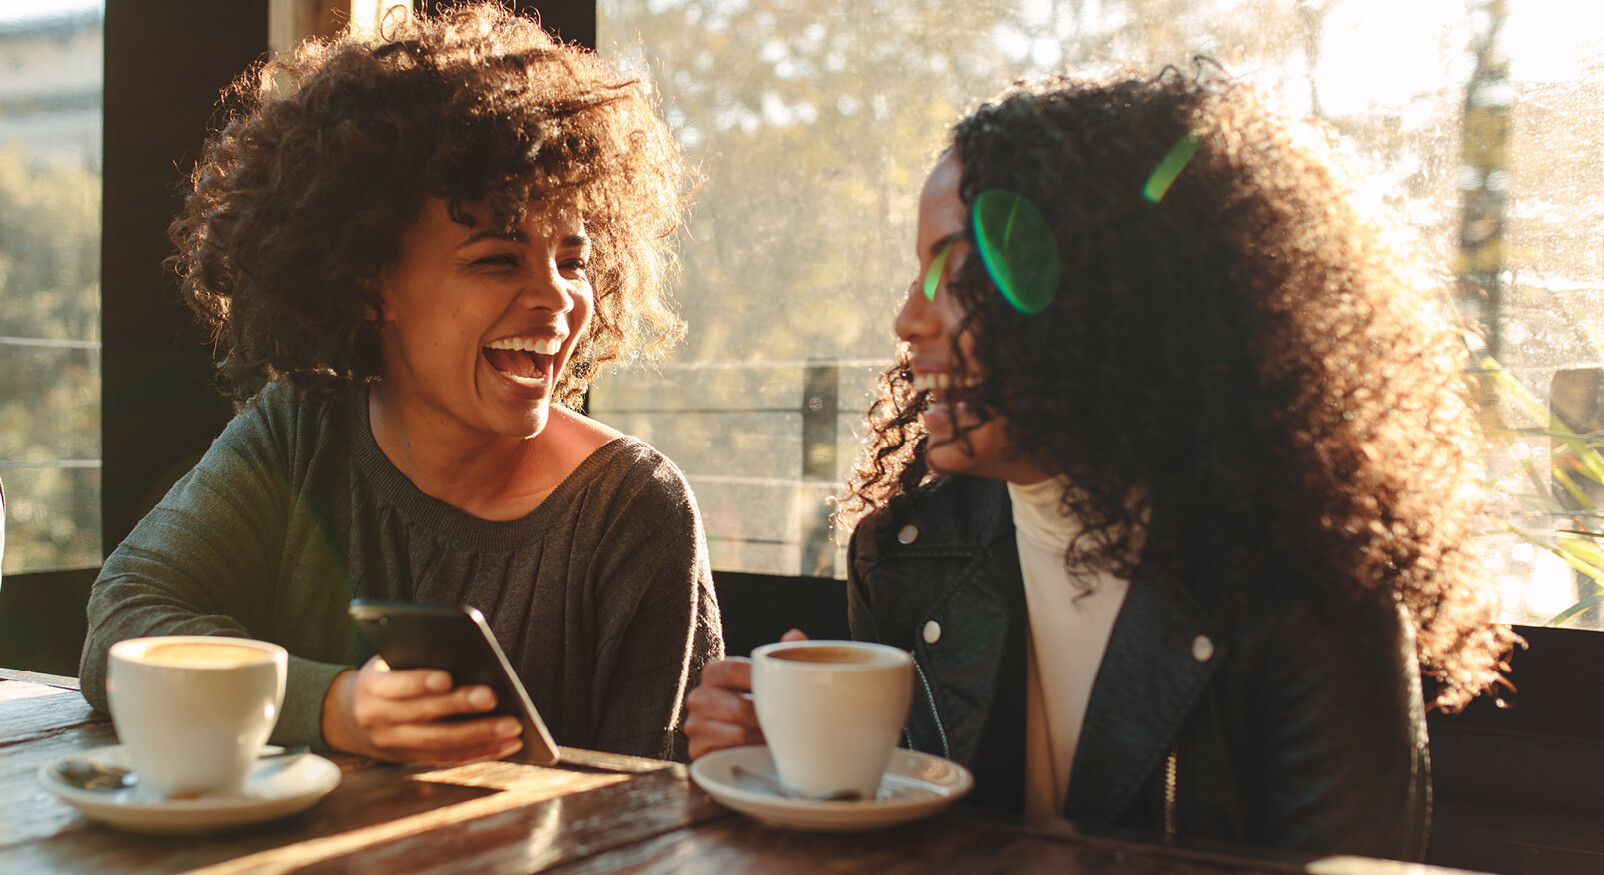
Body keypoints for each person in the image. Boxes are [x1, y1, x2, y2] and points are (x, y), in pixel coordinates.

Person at [685, 69, 1515, 859]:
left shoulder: (1311, 594)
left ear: (1111, 298)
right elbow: (904, 841)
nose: (908, 319)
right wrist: (795, 771)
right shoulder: (905, 553)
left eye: (959, 273)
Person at [80, 4, 722, 764]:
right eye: (497, 258)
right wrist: (334, 706)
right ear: (368, 280)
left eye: (574, 260)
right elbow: (124, 624)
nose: (558, 298)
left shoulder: (633, 509)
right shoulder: (299, 433)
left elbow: (657, 808)